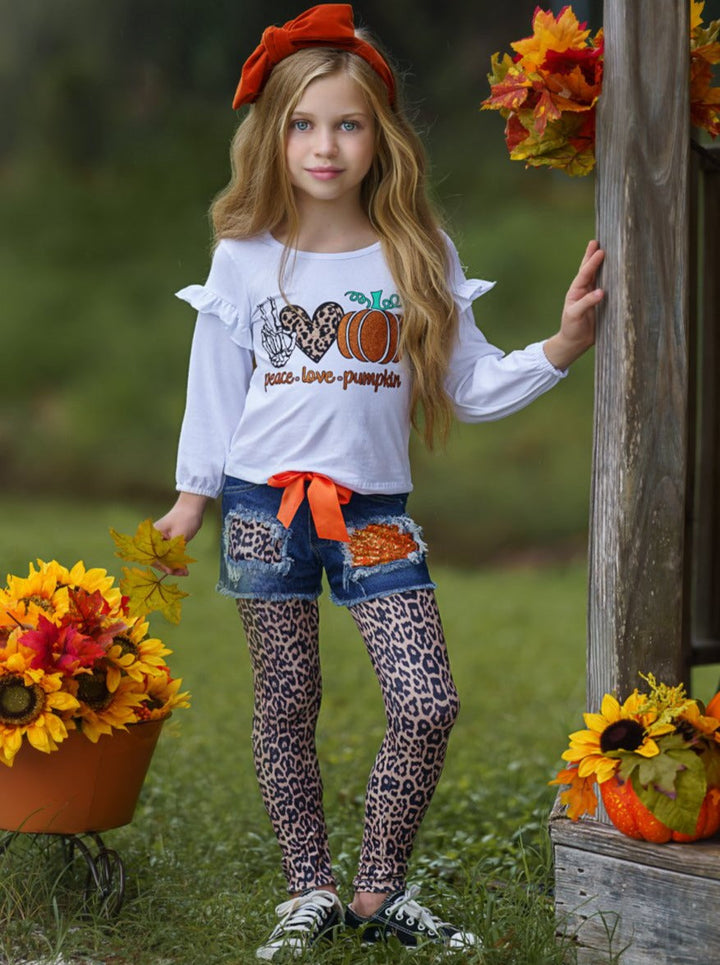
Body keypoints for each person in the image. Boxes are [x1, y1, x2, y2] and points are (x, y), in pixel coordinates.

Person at [155, 4, 604, 959]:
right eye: (303, 124)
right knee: (285, 700)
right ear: (272, 136)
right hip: (259, 510)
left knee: (426, 699)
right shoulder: (243, 258)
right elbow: (214, 389)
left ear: (379, 137)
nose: (325, 145)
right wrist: (193, 496)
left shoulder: (416, 254)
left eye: (347, 123)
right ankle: (307, 888)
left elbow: (470, 384)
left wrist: (561, 345)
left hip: (373, 513)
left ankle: (376, 892)